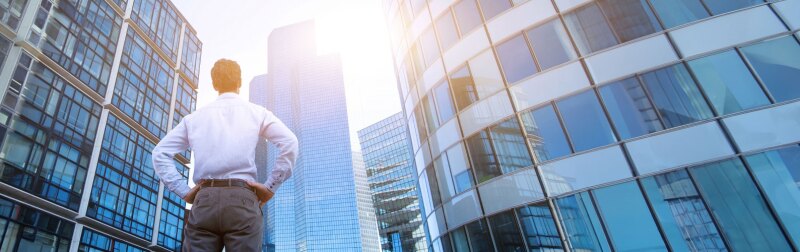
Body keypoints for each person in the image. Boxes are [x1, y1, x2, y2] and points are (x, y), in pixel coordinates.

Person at [152, 59, 298, 252]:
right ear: (239, 83)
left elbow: (160, 153)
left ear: (214, 85)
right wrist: (270, 186)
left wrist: (184, 191)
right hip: (243, 199)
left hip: (205, 200)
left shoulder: (194, 119)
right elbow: (290, 142)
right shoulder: (257, 113)